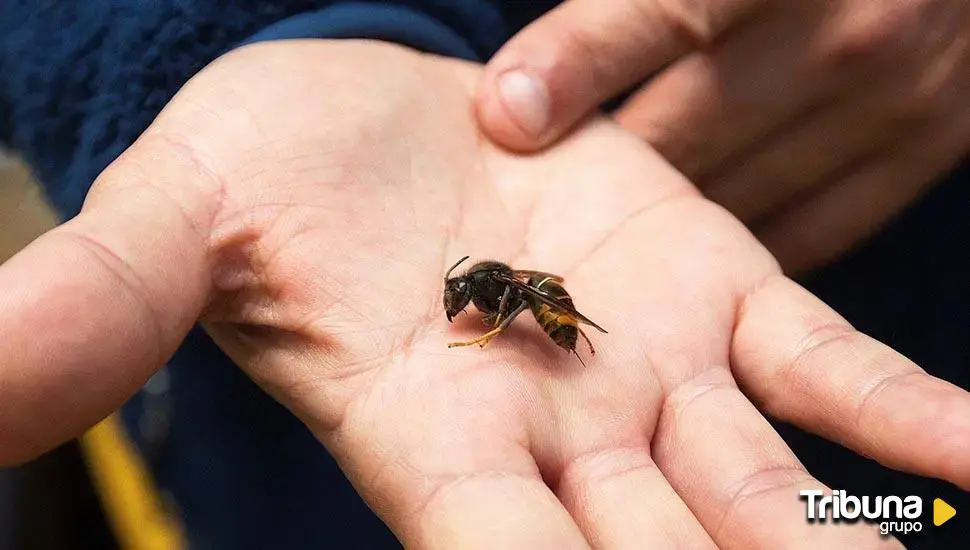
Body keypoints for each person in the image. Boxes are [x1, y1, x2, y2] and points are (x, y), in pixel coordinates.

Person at [0, 2, 966, 549]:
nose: (470, 306)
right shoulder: (478, 294)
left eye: (472, 303)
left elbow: (513, 298)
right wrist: (266, 30)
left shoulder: (511, 299)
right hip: (279, 478)